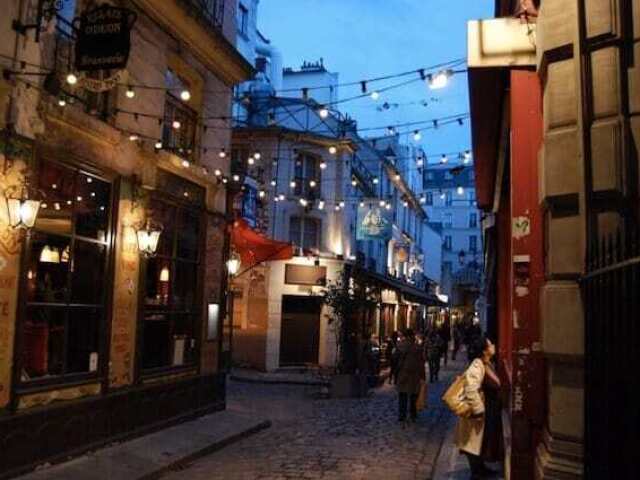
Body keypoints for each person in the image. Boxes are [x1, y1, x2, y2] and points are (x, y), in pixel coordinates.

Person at [455, 334, 501, 479]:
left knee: (479, 441)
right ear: (484, 350)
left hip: (484, 409)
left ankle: (480, 469)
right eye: (490, 344)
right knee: (473, 443)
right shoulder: (478, 364)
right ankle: (476, 473)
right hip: (476, 412)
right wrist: (479, 410)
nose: (493, 346)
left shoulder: (486, 363)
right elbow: (470, 387)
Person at [396, 329, 426, 422]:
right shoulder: (417, 347)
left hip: (403, 373)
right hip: (415, 374)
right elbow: (421, 362)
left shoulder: (400, 346)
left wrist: (395, 372)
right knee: (413, 394)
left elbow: (396, 360)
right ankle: (413, 414)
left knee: (402, 394)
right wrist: (423, 375)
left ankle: (402, 415)